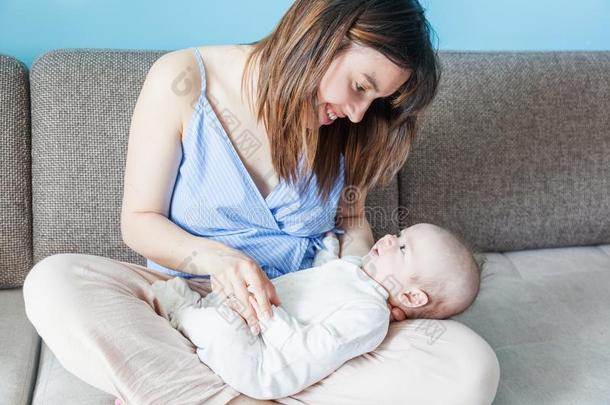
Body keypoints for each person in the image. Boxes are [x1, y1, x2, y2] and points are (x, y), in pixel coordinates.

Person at [23, 1, 500, 404]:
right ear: (319, 36)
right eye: (359, 86)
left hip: (310, 317)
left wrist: (355, 283)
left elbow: (351, 221)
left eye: (374, 101)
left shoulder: (352, 129)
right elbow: (139, 222)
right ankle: (261, 389)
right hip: (190, 302)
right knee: (54, 283)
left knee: (468, 365)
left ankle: (240, 385)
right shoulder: (182, 79)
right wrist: (215, 258)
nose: (358, 113)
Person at [150, 223, 483, 400]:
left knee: (219, 329)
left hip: (264, 366)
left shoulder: (372, 316)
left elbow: (307, 348)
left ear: (410, 296)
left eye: (402, 248)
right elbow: (324, 276)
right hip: (259, 324)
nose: (388, 238)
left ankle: (183, 313)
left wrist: (266, 311)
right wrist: (327, 248)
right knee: (222, 314)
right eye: (399, 234)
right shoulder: (357, 269)